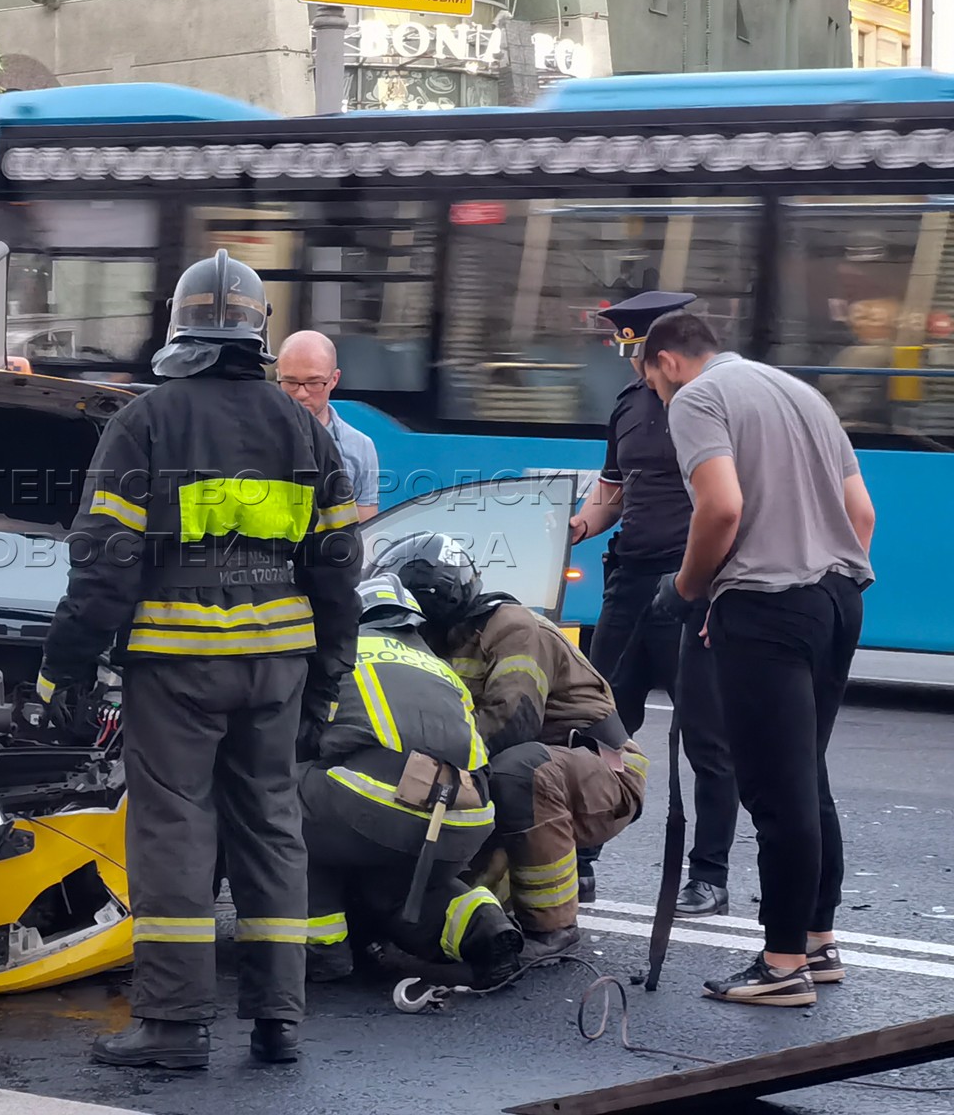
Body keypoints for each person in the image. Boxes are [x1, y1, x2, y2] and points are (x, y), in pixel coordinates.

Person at [37, 249, 363, 1069]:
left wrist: (63, 671)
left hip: (176, 669)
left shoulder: (144, 423)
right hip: (278, 666)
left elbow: (105, 566)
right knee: (272, 830)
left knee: (176, 832)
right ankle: (279, 1020)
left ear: (179, 326)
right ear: (260, 332)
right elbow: (339, 572)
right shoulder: (302, 426)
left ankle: (176, 1026)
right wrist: (325, 684)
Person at [642, 312, 875, 1008]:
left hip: (767, 608)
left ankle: (780, 967)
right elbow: (859, 513)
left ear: (667, 363)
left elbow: (720, 509)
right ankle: (817, 941)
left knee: (776, 791)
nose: (657, 397)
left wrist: (685, 590)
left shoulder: (698, 400)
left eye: (651, 382)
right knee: (808, 776)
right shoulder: (801, 392)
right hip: (839, 598)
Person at [372, 532, 648, 962]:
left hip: (602, 773)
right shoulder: (437, 642)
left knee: (515, 770)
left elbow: (511, 723)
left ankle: (553, 926)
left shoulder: (513, 628)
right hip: (531, 775)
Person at [569, 292, 739, 918]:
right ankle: (579, 862)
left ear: (656, 352)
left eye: (633, 349)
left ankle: (709, 877)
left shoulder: (713, 404)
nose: (629, 361)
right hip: (630, 580)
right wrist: (579, 526)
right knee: (599, 722)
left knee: (708, 737)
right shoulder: (628, 406)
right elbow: (614, 489)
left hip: (694, 583)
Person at [299, 574, 523, 991]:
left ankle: (322, 948)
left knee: (277, 800)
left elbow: (302, 737)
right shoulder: (441, 668)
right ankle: (486, 930)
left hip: (378, 806)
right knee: (404, 888)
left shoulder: (340, 653)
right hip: (466, 817)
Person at [276, 330, 381, 521]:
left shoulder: (360, 448)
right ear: (278, 376)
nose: (301, 393)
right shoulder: (257, 436)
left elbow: (366, 529)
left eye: (314, 382)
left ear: (334, 379)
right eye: (290, 382)